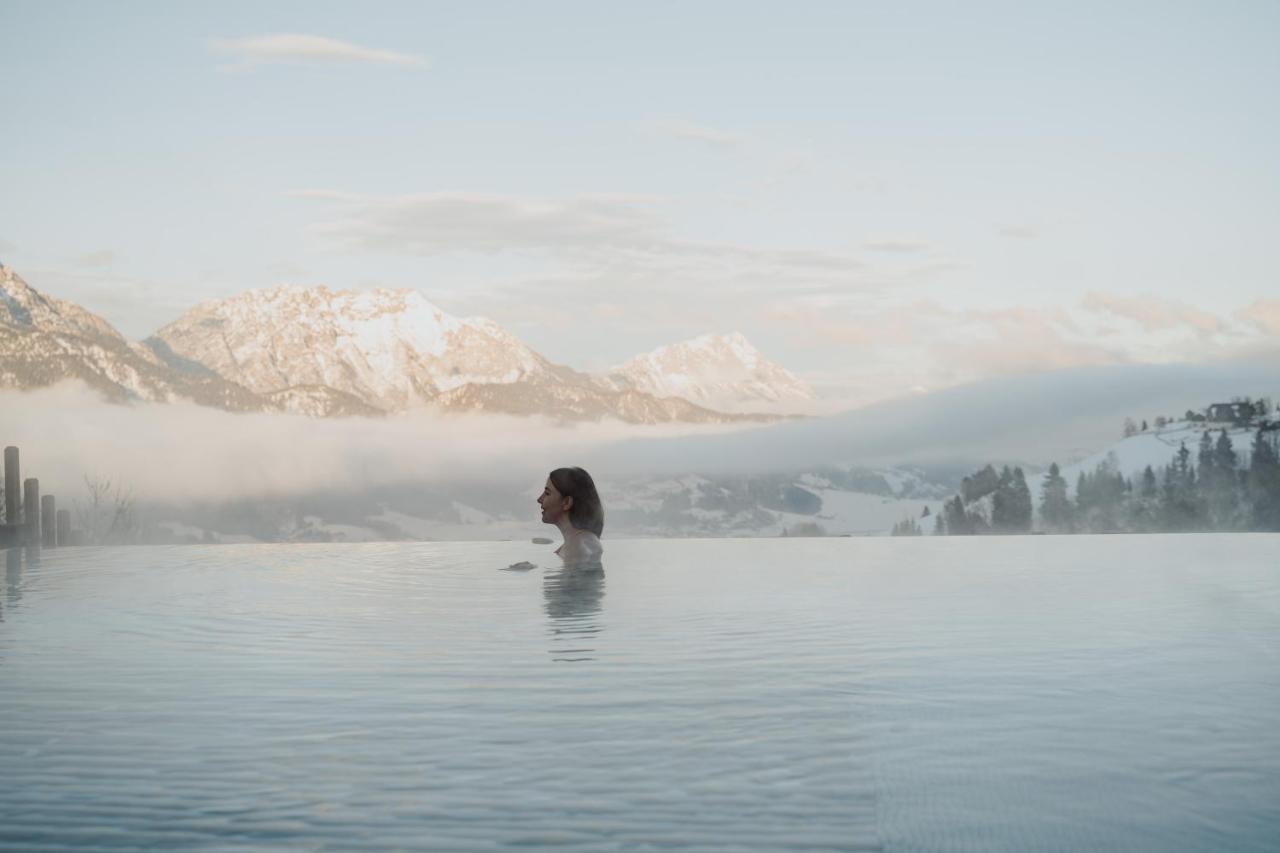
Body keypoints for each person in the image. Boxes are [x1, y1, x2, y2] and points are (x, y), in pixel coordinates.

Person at [537, 467, 604, 564]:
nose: (539, 499)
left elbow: (576, 578)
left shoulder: (578, 547)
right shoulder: (578, 543)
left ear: (567, 502)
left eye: (547, 493)